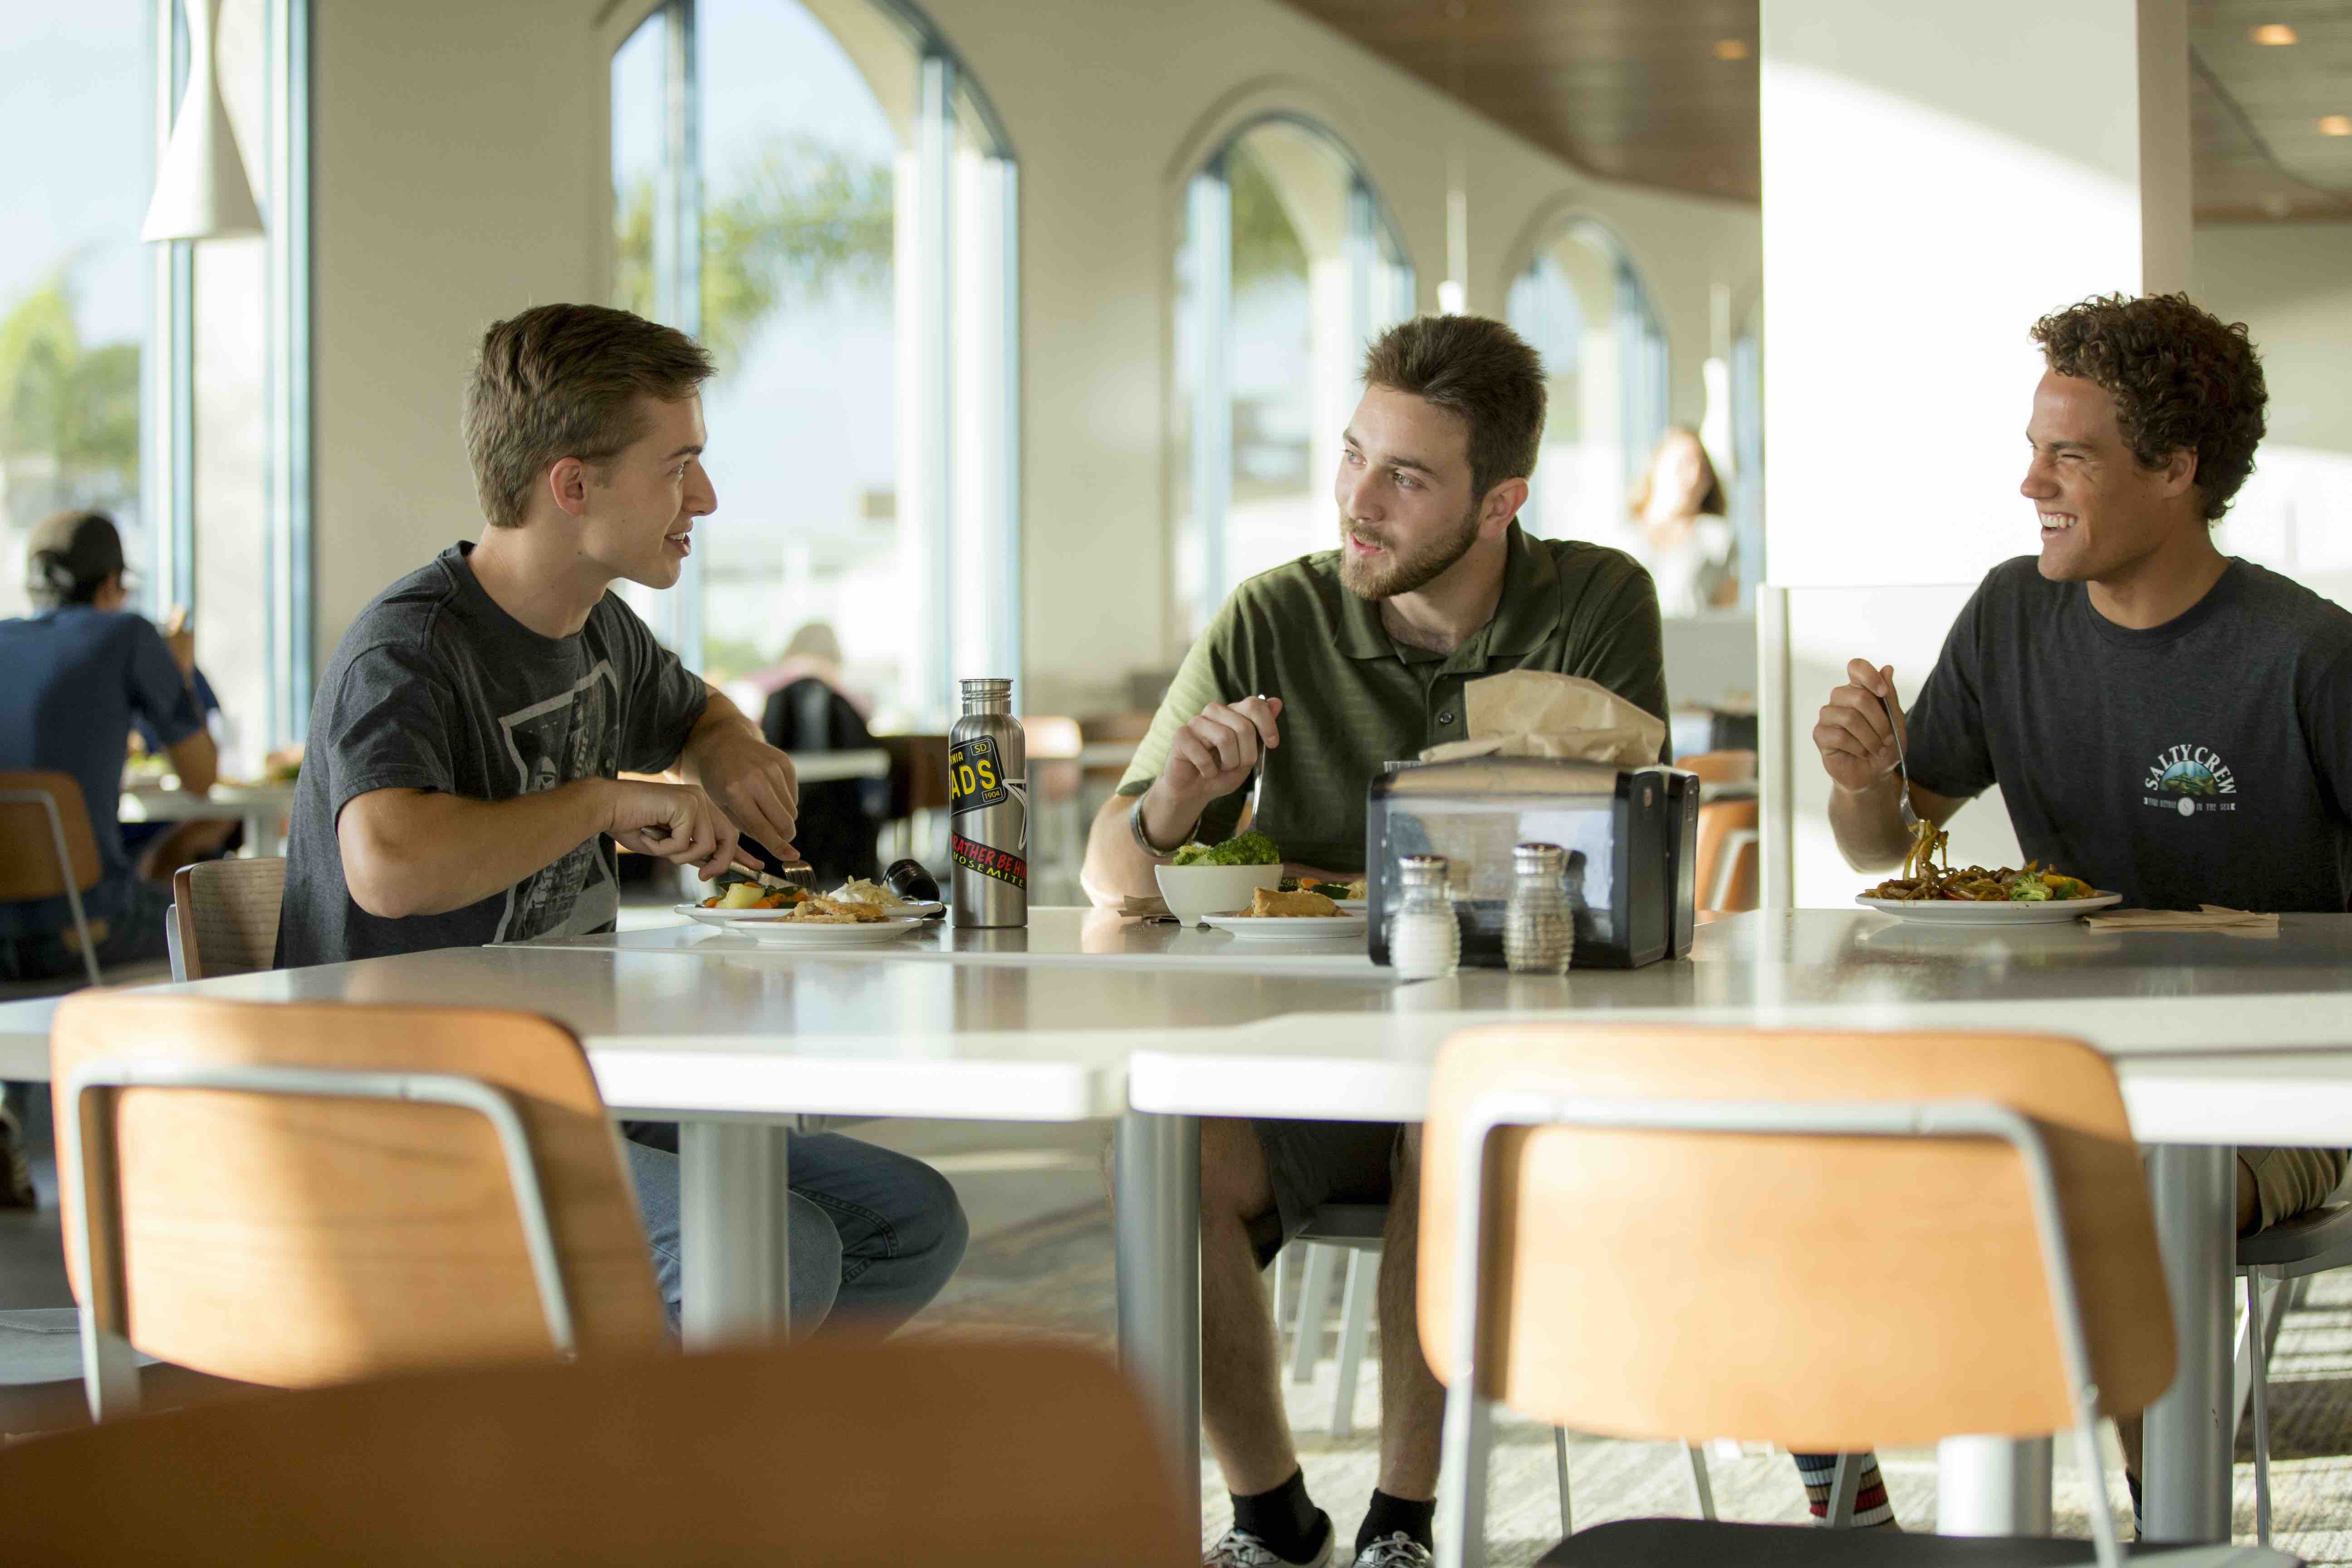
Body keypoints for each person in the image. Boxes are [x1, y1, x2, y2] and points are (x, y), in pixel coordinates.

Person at [1083, 315, 1882, 1566]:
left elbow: (1606, 858)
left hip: (1518, 1066)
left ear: (1500, 500)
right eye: (1354, 455)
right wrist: (1175, 806)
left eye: (1405, 477)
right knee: (1160, 1152)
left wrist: (1371, 868)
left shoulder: (1596, 599)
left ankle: (1401, 1525)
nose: (1358, 500)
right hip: (1311, 1065)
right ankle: (1271, 1516)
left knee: (1455, 1113)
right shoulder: (1272, 614)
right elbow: (1110, 873)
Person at [278, 303, 965, 1335]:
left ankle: (666, 1418)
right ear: (573, 486)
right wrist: (601, 802)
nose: (706, 497)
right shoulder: (409, 646)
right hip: (423, 1114)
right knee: (779, 1252)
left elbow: (693, 711)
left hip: (578, 1086)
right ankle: (630, 1433)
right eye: (678, 465)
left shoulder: (600, 632)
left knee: (910, 1219)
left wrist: (723, 747)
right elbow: (388, 865)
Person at [1815, 291, 2351, 1515]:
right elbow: (1887, 845)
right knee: (1821, 1160)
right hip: (2054, 1066)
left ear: (2175, 468)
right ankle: (1859, 1502)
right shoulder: (2013, 613)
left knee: (2118, 1196)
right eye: (2032, 448)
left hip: (2269, 1094)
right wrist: (1859, 781)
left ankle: (2163, 1526)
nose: (2030, 484)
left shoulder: (2309, 657)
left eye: (2071, 456)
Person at [0, 510, 218, 984]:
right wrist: (179, 673)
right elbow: (202, 779)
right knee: (239, 918)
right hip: (84, 927)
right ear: (110, 585)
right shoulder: (128, 634)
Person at [756, 622, 885, 886]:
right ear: (834, 656)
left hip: (779, 827)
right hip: (844, 831)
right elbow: (873, 758)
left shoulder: (773, 691)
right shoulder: (844, 696)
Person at [1623, 425, 1735, 617]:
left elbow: (1726, 616)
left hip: (1693, 636)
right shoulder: (1623, 536)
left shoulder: (1717, 538)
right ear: (1658, 465)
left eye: (1703, 470)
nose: (1694, 478)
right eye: (1685, 464)